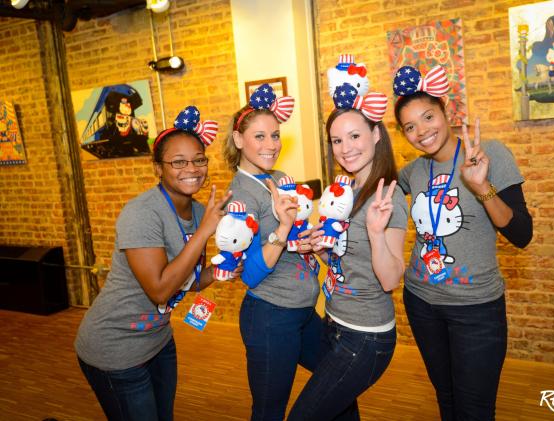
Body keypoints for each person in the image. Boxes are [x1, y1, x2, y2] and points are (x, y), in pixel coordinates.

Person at [393, 65, 533, 420]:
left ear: (445, 112)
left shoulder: (491, 154)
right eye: (410, 127)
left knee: (475, 409)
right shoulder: (413, 171)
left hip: (477, 309)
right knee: (447, 399)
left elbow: (522, 234)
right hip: (422, 302)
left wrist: (481, 186)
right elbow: (374, 187)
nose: (422, 131)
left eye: (428, 117)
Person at [75, 106, 230, 421]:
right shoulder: (141, 213)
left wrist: (221, 270)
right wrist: (204, 232)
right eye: (178, 162)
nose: (192, 169)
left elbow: (187, 280)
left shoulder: (200, 213)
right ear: (158, 168)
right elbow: (160, 290)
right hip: (115, 349)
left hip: (159, 342)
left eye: (199, 159)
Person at [287, 82, 408, 421]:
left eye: (354, 136)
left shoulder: (388, 196)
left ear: (376, 134)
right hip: (334, 323)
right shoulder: (344, 189)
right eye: (337, 140)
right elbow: (343, 261)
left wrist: (375, 233)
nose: (345, 148)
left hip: (365, 337)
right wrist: (320, 248)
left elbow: (390, 279)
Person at [223, 84, 322, 421]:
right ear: (239, 140)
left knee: (337, 386)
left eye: (275, 135)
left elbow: (296, 234)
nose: (272, 145)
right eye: (260, 136)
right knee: (269, 411)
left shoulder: (279, 178)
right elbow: (250, 275)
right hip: (270, 316)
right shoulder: (240, 196)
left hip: (303, 310)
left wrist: (308, 239)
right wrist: (283, 227)